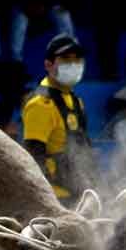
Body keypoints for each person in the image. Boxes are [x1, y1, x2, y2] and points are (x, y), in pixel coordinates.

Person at [22, 34, 94, 205]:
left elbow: (84, 146)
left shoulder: (76, 101)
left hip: (78, 191)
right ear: (48, 64)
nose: (74, 64)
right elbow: (34, 156)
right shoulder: (41, 103)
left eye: (78, 59)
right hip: (55, 197)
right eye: (66, 59)